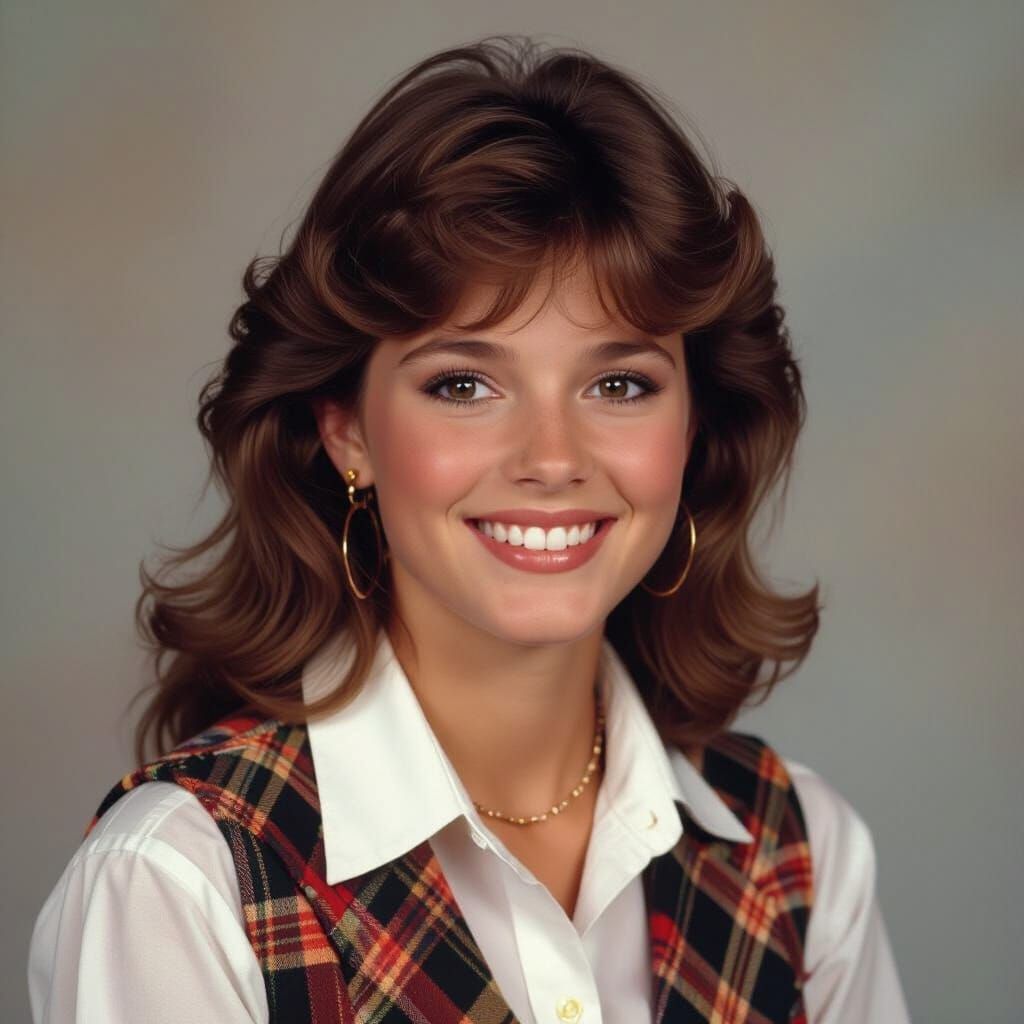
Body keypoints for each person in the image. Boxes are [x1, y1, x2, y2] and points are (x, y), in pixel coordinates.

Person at [27, 34, 912, 1024]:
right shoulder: (181, 887)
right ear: (346, 429)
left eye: (619, 383)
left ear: (694, 425)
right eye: (465, 383)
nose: (551, 455)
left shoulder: (800, 859)